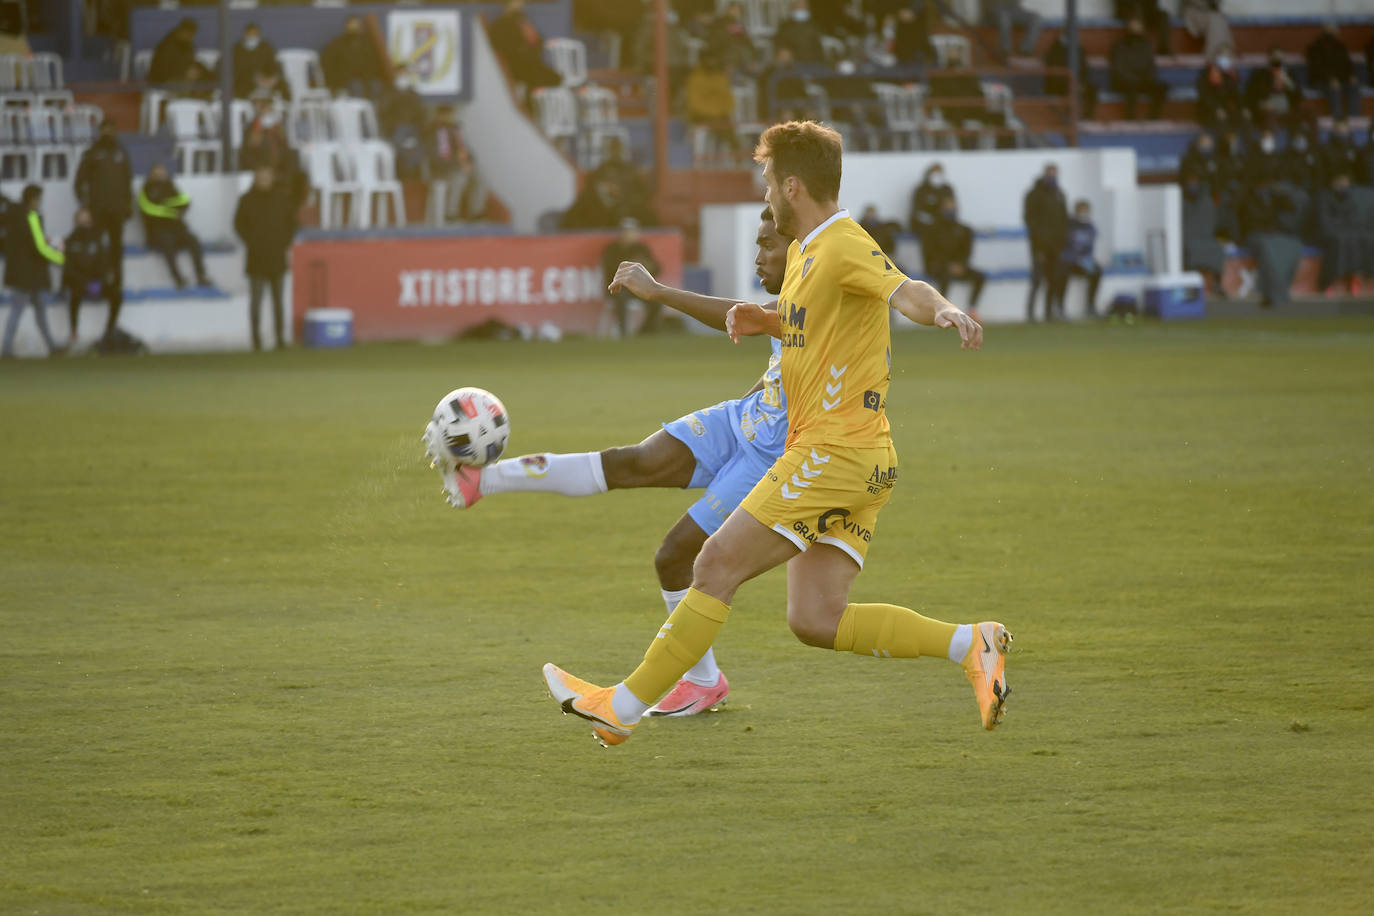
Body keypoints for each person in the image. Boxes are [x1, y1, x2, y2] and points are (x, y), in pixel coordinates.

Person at [540, 120, 1002, 748]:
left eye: (766, 180)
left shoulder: (840, 242)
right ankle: (970, 644)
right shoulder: (811, 254)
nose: (764, 194)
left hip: (830, 452)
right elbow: (814, 324)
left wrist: (943, 309)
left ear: (791, 185)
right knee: (816, 619)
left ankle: (619, 708)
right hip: (865, 457)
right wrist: (761, 318)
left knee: (714, 563)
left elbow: (904, 289)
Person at [429, 207, 795, 717]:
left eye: (766, 246)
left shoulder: (814, 295)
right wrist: (754, 402)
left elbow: (752, 318)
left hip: (777, 453)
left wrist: (661, 292)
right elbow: (779, 345)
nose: (758, 255)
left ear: (796, 244)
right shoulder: (799, 285)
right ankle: (482, 481)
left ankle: (701, 681)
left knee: (675, 557)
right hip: (745, 419)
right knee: (632, 462)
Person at [234, 167, 298, 350]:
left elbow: (292, 224)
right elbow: (238, 225)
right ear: (255, 179)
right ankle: (256, 340)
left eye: (266, 178)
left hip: (277, 256)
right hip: (256, 257)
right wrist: (251, 241)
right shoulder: (246, 200)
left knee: (278, 301)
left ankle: (280, 339)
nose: (263, 181)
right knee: (256, 301)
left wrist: (284, 242)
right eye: (260, 178)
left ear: (271, 179)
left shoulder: (282, 199)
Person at [74, 119, 132, 307]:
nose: (108, 133)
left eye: (111, 129)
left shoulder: (121, 153)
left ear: (115, 132)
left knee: (116, 250)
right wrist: (85, 208)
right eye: (104, 130)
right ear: (99, 132)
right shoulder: (91, 154)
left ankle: (116, 286)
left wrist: (128, 205)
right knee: (94, 250)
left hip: (117, 212)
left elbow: (127, 181)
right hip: (97, 211)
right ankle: (94, 288)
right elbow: (79, 182)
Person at [3, 185, 63, 358]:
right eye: (39, 199)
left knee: (32, 311)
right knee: (25, 311)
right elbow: (40, 246)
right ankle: (7, 349)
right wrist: (61, 259)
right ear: (33, 199)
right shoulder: (30, 216)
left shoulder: (12, 216)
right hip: (30, 274)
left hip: (18, 271)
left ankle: (51, 346)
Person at [139, 163, 209, 289]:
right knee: (168, 243)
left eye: (162, 172)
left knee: (193, 240)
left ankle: (201, 275)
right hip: (158, 230)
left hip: (177, 228)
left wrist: (165, 204)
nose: (160, 175)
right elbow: (149, 209)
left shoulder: (171, 186)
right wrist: (171, 210)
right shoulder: (146, 190)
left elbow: (185, 200)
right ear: (152, 174)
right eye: (157, 173)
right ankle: (178, 278)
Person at [1238, 175, 1305, 308]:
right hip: (1255, 235)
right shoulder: (1248, 199)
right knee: (1268, 251)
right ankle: (1269, 293)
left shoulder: (1274, 198)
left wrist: (1281, 195)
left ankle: (1282, 289)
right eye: (1263, 185)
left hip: (1272, 235)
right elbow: (1249, 221)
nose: (1266, 188)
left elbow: (1290, 208)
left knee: (1294, 245)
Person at [61, 207, 119, 349]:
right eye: (81, 221)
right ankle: (74, 332)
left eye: (87, 221)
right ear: (76, 222)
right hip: (80, 284)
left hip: (95, 284)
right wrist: (82, 282)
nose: (84, 225)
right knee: (74, 295)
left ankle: (109, 331)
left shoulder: (97, 240)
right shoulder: (69, 241)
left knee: (117, 294)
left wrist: (103, 279)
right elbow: (68, 268)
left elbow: (104, 263)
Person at [921, 192, 986, 319]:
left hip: (959, 266)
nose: (950, 210)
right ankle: (942, 310)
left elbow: (966, 251)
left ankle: (972, 309)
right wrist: (947, 265)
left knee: (980, 277)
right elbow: (931, 252)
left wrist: (960, 264)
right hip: (939, 266)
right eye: (947, 207)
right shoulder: (933, 229)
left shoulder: (963, 229)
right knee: (945, 277)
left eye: (952, 207)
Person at [601, 218, 662, 336]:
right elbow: (610, 271)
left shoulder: (642, 248)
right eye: (625, 232)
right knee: (621, 299)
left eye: (631, 232)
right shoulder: (612, 249)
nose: (628, 235)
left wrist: (649, 267)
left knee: (657, 301)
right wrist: (631, 267)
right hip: (618, 288)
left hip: (637, 287)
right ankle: (623, 333)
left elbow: (657, 269)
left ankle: (646, 332)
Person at [1023, 163, 1068, 322]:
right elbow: (1031, 222)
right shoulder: (1034, 195)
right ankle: (1030, 314)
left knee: (1053, 280)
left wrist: (1062, 243)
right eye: (1050, 174)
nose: (1052, 177)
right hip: (1039, 247)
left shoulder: (1059, 194)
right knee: (1037, 280)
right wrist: (1038, 247)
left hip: (1056, 247)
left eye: (1054, 174)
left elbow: (1064, 220)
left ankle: (1049, 313)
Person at [427, 106, 487, 224]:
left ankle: (476, 212)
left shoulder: (456, 132)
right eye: (445, 114)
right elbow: (436, 158)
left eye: (450, 114)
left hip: (460, 167)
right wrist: (459, 165)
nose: (449, 118)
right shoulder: (434, 132)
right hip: (442, 170)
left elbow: (467, 151)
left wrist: (468, 163)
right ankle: (451, 214)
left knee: (480, 178)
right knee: (459, 178)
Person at [488, 0, 563, 93]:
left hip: (530, 62)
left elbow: (537, 39)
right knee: (554, 79)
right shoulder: (502, 23)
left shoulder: (521, 19)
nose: (521, 4)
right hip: (519, 66)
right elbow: (510, 50)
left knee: (557, 79)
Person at [1314, 171, 1368, 296]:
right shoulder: (1323, 197)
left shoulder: (1350, 199)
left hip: (1346, 233)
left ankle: (1353, 278)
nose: (1343, 185)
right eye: (1340, 181)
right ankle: (1328, 281)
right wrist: (1342, 228)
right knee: (1339, 242)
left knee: (1359, 240)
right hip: (1327, 235)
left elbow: (1354, 219)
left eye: (1345, 182)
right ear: (1333, 182)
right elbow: (1323, 221)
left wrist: (1347, 228)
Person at [1181, 168, 1230, 296]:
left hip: (1206, 238)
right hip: (1188, 240)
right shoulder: (1181, 201)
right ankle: (1190, 287)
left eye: (1195, 182)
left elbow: (1216, 222)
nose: (1193, 186)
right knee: (1190, 250)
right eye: (1190, 183)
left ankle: (1217, 285)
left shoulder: (1207, 201)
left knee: (1217, 248)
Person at [1109, 17, 1167, 121]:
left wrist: (1146, 78)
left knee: (1161, 87)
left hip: (1142, 80)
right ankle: (1131, 117)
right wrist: (1134, 79)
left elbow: (1150, 67)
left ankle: (1154, 117)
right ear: (1128, 27)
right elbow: (1119, 69)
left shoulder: (1146, 45)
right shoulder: (1119, 46)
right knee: (1130, 86)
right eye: (1134, 25)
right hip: (1125, 82)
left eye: (1139, 25)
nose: (1137, 28)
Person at [1054, 199, 1103, 319]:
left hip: (1082, 261)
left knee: (1096, 271)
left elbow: (1089, 248)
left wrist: (1086, 260)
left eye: (1086, 211)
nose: (1084, 213)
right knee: (1063, 274)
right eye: (1081, 210)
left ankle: (1090, 306)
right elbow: (1062, 245)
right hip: (1068, 260)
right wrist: (1074, 257)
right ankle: (1060, 307)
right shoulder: (1068, 225)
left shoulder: (1090, 227)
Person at [1305, 22, 1361, 120]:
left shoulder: (1340, 47)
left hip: (1340, 80)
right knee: (1334, 88)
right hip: (1321, 81)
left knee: (1354, 86)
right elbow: (1317, 68)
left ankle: (1354, 118)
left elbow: (1348, 65)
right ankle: (1337, 118)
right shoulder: (1315, 47)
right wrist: (1330, 79)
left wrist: (1351, 76)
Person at [321, 15, 386, 98]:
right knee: (356, 86)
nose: (354, 27)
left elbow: (374, 63)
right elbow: (329, 65)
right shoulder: (337, 45)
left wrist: (369, 75)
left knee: (376, 85)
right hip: (345, 79)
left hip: (366, 78)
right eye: (351, 25)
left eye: (356, 25)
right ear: (346, 26)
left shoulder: (367, 44)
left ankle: (373, 108)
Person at [1243, 47, 1300, 130]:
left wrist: (1287, 82)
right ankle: (1269, 140)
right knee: (1269, 115)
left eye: (1280, 56)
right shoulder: (1261, 74)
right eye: (1275, 56)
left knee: (1305, 112)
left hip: (1285, 105)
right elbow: (1254, 93)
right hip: (1268, 105)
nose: (1277, 59)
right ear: (1269, 58)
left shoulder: (1289, 74)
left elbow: (1297, 93)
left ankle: (1300, 139)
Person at [1045, 32, 1098, 121]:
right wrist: (1072, 82)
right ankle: (1071, 118)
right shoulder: (1056, 49)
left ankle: (1088, 117)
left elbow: (1085, 69)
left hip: (1077, 82)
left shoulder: (1079, 49)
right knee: (1072, 88)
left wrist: (1082, 83)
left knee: (1092, 89)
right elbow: (1054, 72)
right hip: (1059, 84)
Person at [231, 22, 288, 101]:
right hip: (245, 82)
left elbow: (273, 66)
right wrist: (255, 78)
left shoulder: (265, 47)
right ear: (245, 35)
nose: (252, 37)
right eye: (250, 35)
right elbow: (237, 71)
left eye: (255, 35)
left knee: (282, 84)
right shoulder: (236, 50)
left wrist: (272, 79)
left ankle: (286, 106)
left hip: (265, 79)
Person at [1194, 45, 1243, 131]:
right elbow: (1205, 95)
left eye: (1228, 57)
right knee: (1222, 121)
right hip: (1209, 109)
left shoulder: (1230, 74)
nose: (1226, 60)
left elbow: (1234, 94)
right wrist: (1217, 108)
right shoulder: (1209, 72)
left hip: (1225, 108)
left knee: (1238, 117)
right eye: (1223, 57)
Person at [147, 17, 197, 85]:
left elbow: (191, 62)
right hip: (163, 82)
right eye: (189, 34)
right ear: (181, 31)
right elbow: (163, 70)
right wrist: (185, 73)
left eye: (192, 34)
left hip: (177, 79)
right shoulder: (167, 46)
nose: (190, 37)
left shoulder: (188, 46)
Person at [773, 0, 825, 66]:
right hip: (792, 64)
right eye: (798, 5)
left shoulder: (814, 25)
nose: (801, 7)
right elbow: (780, 43)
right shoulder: (785, 26)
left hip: (814, 63)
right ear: (793, 7)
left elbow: (820, 46)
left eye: (803, 5)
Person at [908, 162, 948, 243]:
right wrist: (930, 219)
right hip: (923, 225)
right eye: (934, 173)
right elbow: (916, 210)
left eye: (939, 173)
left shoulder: (947, 190)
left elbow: (951, 206)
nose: (937, 176)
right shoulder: (921, 190)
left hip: (942, 224)